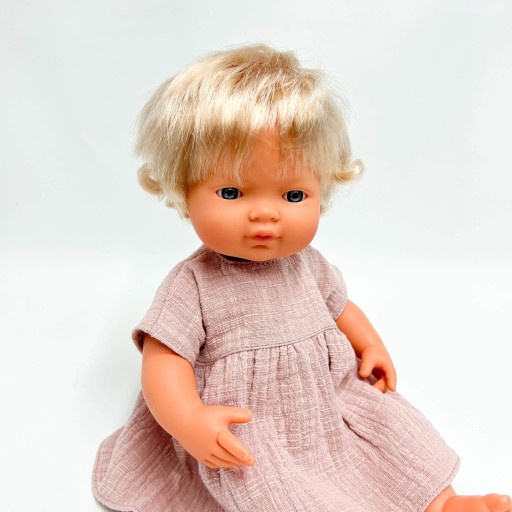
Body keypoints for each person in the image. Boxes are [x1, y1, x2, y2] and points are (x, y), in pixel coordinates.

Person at [92, 44, 511, 512]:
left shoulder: (307, 264)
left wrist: (370, 345)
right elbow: (165, 359)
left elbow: (340, 308)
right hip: (252, 427)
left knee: (395, 439)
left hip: (329, 403)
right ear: (184, 190)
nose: (265, 214)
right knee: (276, 488)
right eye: (231, 192)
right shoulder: (194, 284)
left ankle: (440, 503)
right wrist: (189, 419)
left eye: (293, 195)